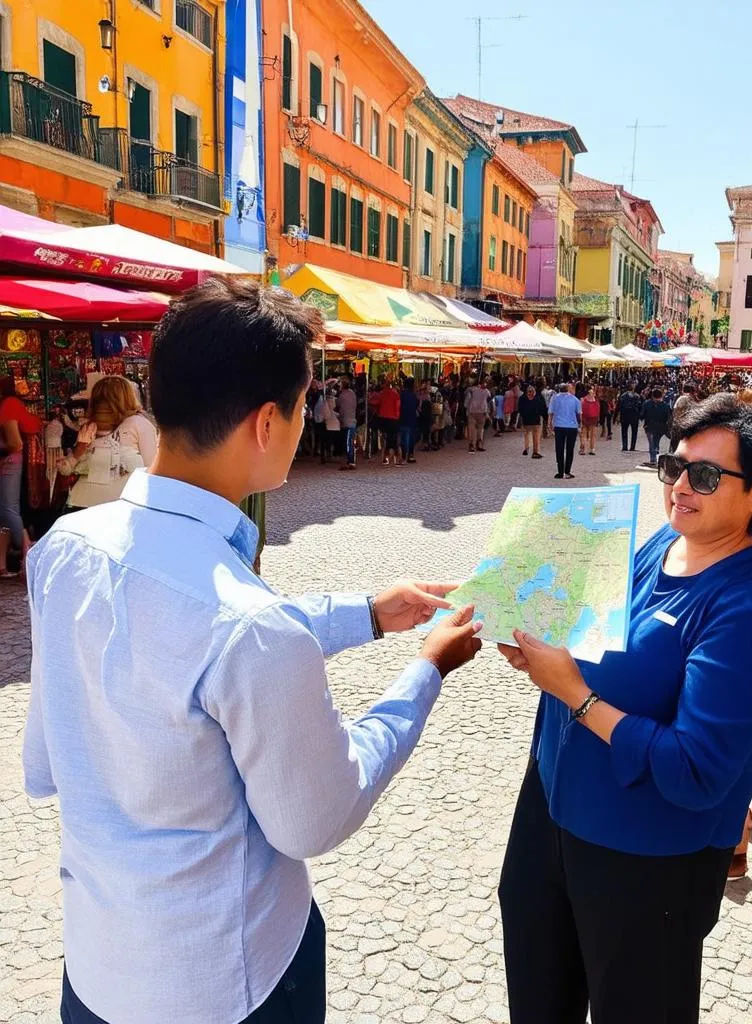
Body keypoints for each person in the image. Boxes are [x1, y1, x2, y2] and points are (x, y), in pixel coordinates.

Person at [23, 277, 484, 1024]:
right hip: (230, 981)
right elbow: (315, 817)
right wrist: (426, 670)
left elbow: (55, 756)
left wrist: (363, 613)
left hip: (99, 969)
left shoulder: (66, 549)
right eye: (305, 407)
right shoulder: (248, 626)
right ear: (268, 421)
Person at [496, 395, 752, 1024]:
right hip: (553, 813)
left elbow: (695, 772)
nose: (681, 486)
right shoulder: (661, 545)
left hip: (645, 861)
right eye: (673, 466)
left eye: (707, 476)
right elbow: (593, 640)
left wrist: (575, 694)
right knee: (538, 995)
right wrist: (534, 637)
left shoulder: (746, 613)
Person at [58, 375, 158, 510]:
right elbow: (152, 470)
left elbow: (67, 468)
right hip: (123, 505)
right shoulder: (139, 423)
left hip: (81, 503)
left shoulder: (87, 429)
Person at [0, 375, 41, 576]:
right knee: (5, 511)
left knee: (8, 509)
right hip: (11, 461)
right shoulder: (12, 403)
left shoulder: (8, 404)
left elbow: (15, 443)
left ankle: (29, 549)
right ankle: (2, 564)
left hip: (8, 461)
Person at [548, 383, 581, 480]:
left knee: (559, 449)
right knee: (570, 450)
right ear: (568, 390)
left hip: (559, 426)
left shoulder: (554, 398)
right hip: (572, 426)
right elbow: (579, 414)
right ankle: (567, 472)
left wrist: (549, 425)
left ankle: (560, 472)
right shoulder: (575, 399)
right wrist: (579, 426)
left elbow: (550, 413)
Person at [641, 387, 671, 467]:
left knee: (652, 443)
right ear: (661, 396)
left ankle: (653, 459)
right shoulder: (666, 406)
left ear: (652, 396)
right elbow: (669, 417)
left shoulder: (646, 404)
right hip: (661, 427)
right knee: (656, 442)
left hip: (649, 426)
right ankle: (655, 456)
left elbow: (641, 415)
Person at [377, 378, 401, 466]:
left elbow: (376, 402)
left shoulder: (382, 393)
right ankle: (397, 459)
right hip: (393, 419)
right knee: (394, 440)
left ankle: (385, 458)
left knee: (385, 439)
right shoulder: (395, 394)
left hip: (383, 418)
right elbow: (398, 406)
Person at [518, 384, 545, 459]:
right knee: (536, 437)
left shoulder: (522, 399)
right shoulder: (538, 399)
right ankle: (535, 452)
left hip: (526, 420)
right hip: (535, 421)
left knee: (526, 434)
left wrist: (523, 416)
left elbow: (520, 409)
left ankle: (526, 448)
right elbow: (542, 409)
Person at [336, 376, 358, 470]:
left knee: (348, 442)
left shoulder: (342, 395)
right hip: (351, 420)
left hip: (347, 421)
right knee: (349, 442)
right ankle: (349, 460)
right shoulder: (352, 393)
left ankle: (350, 461)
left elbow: (338, 405)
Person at [465, 377, 489, 453]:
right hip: (481, 411)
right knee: (480, 429)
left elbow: (466, 402)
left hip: (473, 411)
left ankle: (472, 444)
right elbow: (489, 398)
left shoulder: (471, 390)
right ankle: (478, 444)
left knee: (473, 428)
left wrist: (467, 409)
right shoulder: (486, 391)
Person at [399, 377, 420, 465]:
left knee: (404, 437)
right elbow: (416, 405)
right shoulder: (413, 395)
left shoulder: (402, 394)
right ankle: (410, 455)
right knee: (410, 437)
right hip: (411, 418)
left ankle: (404, 455)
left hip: (403, 418)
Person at [618, 382, 642, 452]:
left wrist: (616, 417)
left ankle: (625, 446)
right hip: (634, 416)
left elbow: (619, 406)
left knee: (624, 431)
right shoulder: (637, 396)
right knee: (634, 432)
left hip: (625, 416)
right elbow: (640, 406)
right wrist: (640, 416)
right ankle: (632, 446)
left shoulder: (622, 396)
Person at [579, 386, 601, 456]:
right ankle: (592, 449)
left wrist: (580, 419)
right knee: (592, 434)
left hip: (585, 418)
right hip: (593, 419)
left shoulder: (582, 400)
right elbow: (598, 410)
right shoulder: (596, 400)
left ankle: (582, 449)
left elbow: (580, 411)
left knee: (583, 434)